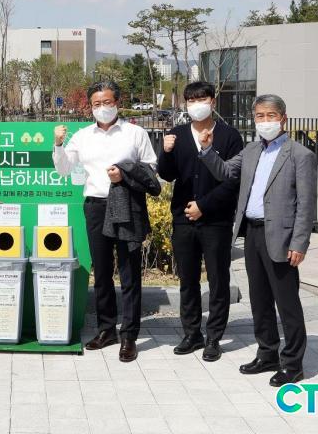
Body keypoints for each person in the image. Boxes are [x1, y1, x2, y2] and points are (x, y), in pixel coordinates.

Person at [198, 94, 317, 386]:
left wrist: (299, 243)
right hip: (251, 233)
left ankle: (293, 364)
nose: (265, 121)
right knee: (260, 299)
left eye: (270, 116)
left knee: (287, 303)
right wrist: (208, 149)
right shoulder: (251, 150)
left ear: (283, 119)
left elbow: (306, 204)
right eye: (260, 116)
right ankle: (267, 354)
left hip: (281, 238)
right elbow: (225, 172)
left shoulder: (300, 155)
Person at [53, 81, 158, 362]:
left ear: (117, 102)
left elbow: (151, 167)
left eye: (107, 102)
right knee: (101, 271)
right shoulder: (82, 136)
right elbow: (64, 169)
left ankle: (130, 335)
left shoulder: (135, 133)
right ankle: (107, 329)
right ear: (90, 106)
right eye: (97, 104)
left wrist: (124, 174)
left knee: (129, 271)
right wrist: (58, 144)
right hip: (96, 206)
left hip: (127, 204)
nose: (102, 108)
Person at [159, 81, 243, 362]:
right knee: (188, 279)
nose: (196, 104)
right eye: (191, 100)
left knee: (218, 279)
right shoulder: (177, 134)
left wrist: (203, 206)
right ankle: (191, 333)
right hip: (183, 219)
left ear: (212, 102)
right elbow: (167, 175)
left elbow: (232, 180)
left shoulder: (230, 136)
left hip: (216, 220)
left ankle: (214, 337)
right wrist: (165, 151)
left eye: (201, 99)